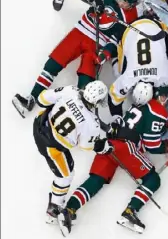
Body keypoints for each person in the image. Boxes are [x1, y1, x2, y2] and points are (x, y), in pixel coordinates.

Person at [57, 82, 168, 236]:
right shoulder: (157, 110)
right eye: (163, 96)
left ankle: (69, 210)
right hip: (126, 148)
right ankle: (130, 213)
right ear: (156, 95)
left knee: (96, 180)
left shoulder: (136, 106)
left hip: (110, 143)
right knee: (153, 180)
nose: (164, 100)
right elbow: (152, 145)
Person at [12, 0, 141, 118]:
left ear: (132, 5)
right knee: (55, 61)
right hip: (80, 31)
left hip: (97, 45)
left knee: (86, 80)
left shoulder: (130, 18)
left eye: (124, 2)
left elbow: (117, 41)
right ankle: (32, 97)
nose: (119, 1)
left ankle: (77, 115)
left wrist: (106, 53)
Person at [32, 81, 110, 224]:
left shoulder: (71, 90)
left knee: (69, 165)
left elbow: (42, 99)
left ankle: (55, 204)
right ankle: (53, 209)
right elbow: (86, 146)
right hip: (51, 147)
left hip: (39, 124)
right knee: (66, 175)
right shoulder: (92, 124)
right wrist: (103, 147)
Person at [108, 13, 168, 116]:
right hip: (132, 30)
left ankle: (152, 16)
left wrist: (117, 118)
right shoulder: (130, 79)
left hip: (142, 28)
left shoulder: (164, 76)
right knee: (121, 73)